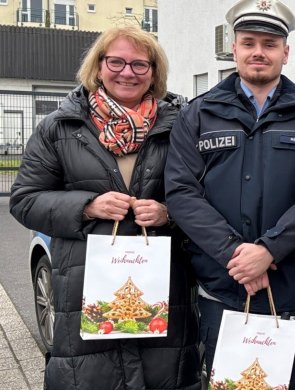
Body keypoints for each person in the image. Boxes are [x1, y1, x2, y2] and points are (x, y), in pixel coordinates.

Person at [9, 27, 200, 389]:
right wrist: (87, 206)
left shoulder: (184, 125)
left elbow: (204, 195)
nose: (127, 72)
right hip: (83, 291)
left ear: (154, 73)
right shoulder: (59, 127)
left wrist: (168, 213)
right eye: (116, 61)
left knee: (166, 376)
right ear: (98, 67)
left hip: (165, 289)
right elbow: (24, 200)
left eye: (140, 64)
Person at [164, 0, 295, 389]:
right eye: (249, 43)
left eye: (270, 44)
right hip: (225, 288)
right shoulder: (198, 114)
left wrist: (269, 250)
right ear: (234, 48)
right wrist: (236, 255)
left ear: (286, 52)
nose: (259, 52)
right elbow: (182, 192)